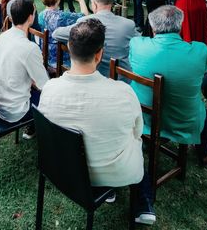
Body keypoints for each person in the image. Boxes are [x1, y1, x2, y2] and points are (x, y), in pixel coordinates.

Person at [38, 19, 154, 224]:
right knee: (137, 143)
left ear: (70, 48)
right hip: (111, 173)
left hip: (62, 167)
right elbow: (137, 132)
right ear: (99, 54)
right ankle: (143, 204)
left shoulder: (50, 88)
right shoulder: (124, 92)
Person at [129, 5, 207, 166]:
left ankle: (147, 140)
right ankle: (204, 153)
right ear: (180, 26)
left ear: (152, 26)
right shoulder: (200, 50)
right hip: (183, 118)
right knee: (203, 112)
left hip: (143, 114)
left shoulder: (137, 44)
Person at [0, 0, 49, 139]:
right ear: (31, 17)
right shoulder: (29, 48)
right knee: (51, 97)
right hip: (15, 110)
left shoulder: (3, 36)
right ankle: (42, 131)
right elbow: (44, 85)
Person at [52, 0, 138, 77]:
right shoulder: (128, 24)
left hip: (94, 75)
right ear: (112, 3)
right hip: (123, 78)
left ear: (94, 4)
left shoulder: (85, 21)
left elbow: (56, 34)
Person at [38, 0, 89, 68]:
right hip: (62, 59)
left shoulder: (41, 15)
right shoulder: (63, 17)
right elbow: (85, 17)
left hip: (46, 56)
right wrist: (81, 0)